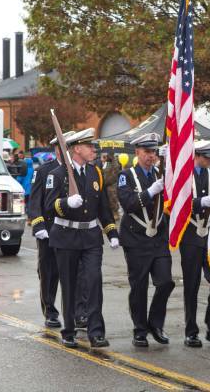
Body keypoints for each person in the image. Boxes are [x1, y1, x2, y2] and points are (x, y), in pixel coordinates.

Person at [45, 128, 119, 349]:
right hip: (66, 237)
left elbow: (103, 206)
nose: (94, 150)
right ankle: (69, 331)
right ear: (77, 149)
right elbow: (49, 207)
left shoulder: (95, 172)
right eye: (89, 146)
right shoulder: (58, 175)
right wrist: (66, 203)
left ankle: (96, 332)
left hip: (90, 237)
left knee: (94, 282)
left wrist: (112, 232)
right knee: (69, 285)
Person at [117, 133, 175, 348]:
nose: (151, 156)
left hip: (158, 238)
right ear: (137, 152)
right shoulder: (127, 175)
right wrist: (151, 191)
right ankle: (140, 330)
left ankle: (156, 324)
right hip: (136, 239)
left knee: (166, 282)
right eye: (147, 152)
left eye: (154, 152)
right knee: (139, 286)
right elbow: (128, 203)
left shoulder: (161, 174)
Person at [180, 140, 210, 348]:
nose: (209, 160)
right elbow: (177, 205)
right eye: (206, 157)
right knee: (191, 286)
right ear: (196, 156)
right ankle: (191, 331)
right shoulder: (184, 176)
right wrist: (199, 203)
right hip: (190, 235)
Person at [28, 131, 75, 329]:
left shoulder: (76, 169)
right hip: (49, 228)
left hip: (71, 230)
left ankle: (76, 313)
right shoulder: (45, 170)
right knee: (49, 272)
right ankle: (50, 310)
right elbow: (35, 200)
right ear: (57, 149)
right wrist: (38, 224)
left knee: (74, 272)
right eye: (63, 147)